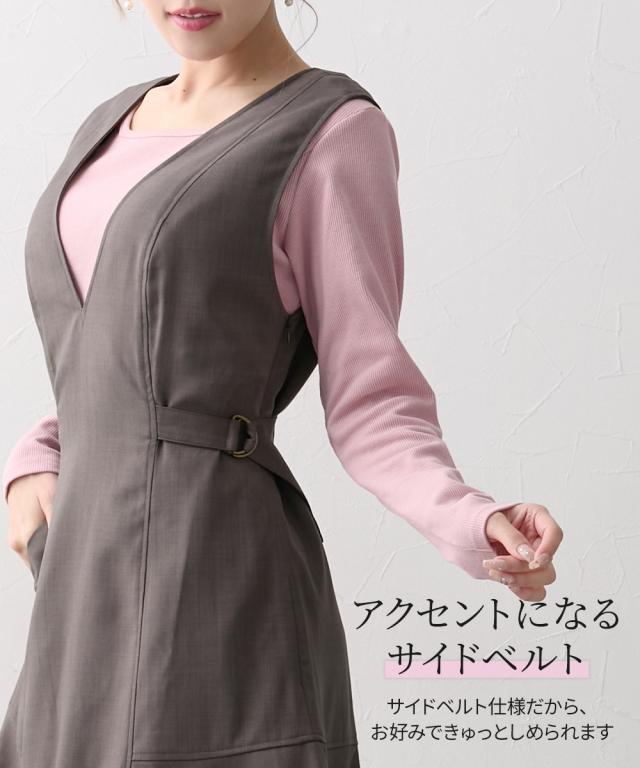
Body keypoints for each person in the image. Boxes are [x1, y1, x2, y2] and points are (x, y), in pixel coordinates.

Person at [1, 2, 564, 767]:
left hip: (213, 586)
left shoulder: (330, 132)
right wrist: (36, 459)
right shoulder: (107, 125)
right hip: (76, 595)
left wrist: (474, 518)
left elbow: (371, 397)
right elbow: (111, 358)